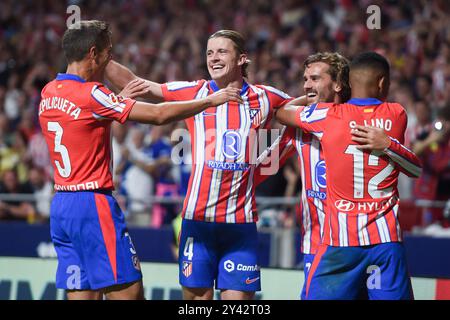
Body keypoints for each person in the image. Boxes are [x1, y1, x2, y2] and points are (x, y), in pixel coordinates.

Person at [38, 20, 242, 300]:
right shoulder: (94, 95)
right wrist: (210, 100)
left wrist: (114, 102)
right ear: (93, 53)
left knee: (82, 293)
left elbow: (81, 122)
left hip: (61, 205)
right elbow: (158, 115)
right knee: (130, 294)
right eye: (108, 53)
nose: (110, 59)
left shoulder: (48, 92)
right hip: (92, 205)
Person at [106, 29, 293, 300]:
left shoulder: (266, 97)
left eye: (221, 52)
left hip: (239, 225)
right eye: (209, 52)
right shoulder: (195, 92)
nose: (213, 58)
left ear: (242, 58)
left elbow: (302, 111)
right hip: (197, 221)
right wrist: (100, 57)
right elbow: (139, 84)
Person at [276, 52, 422, 299]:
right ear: (383, 83)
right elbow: (416, 169)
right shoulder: (397, 114)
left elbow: (282, 112)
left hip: (339, 241)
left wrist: (309, 97)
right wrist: (387, 144)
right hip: (385, 241)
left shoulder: (328, 116)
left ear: (347, 83)